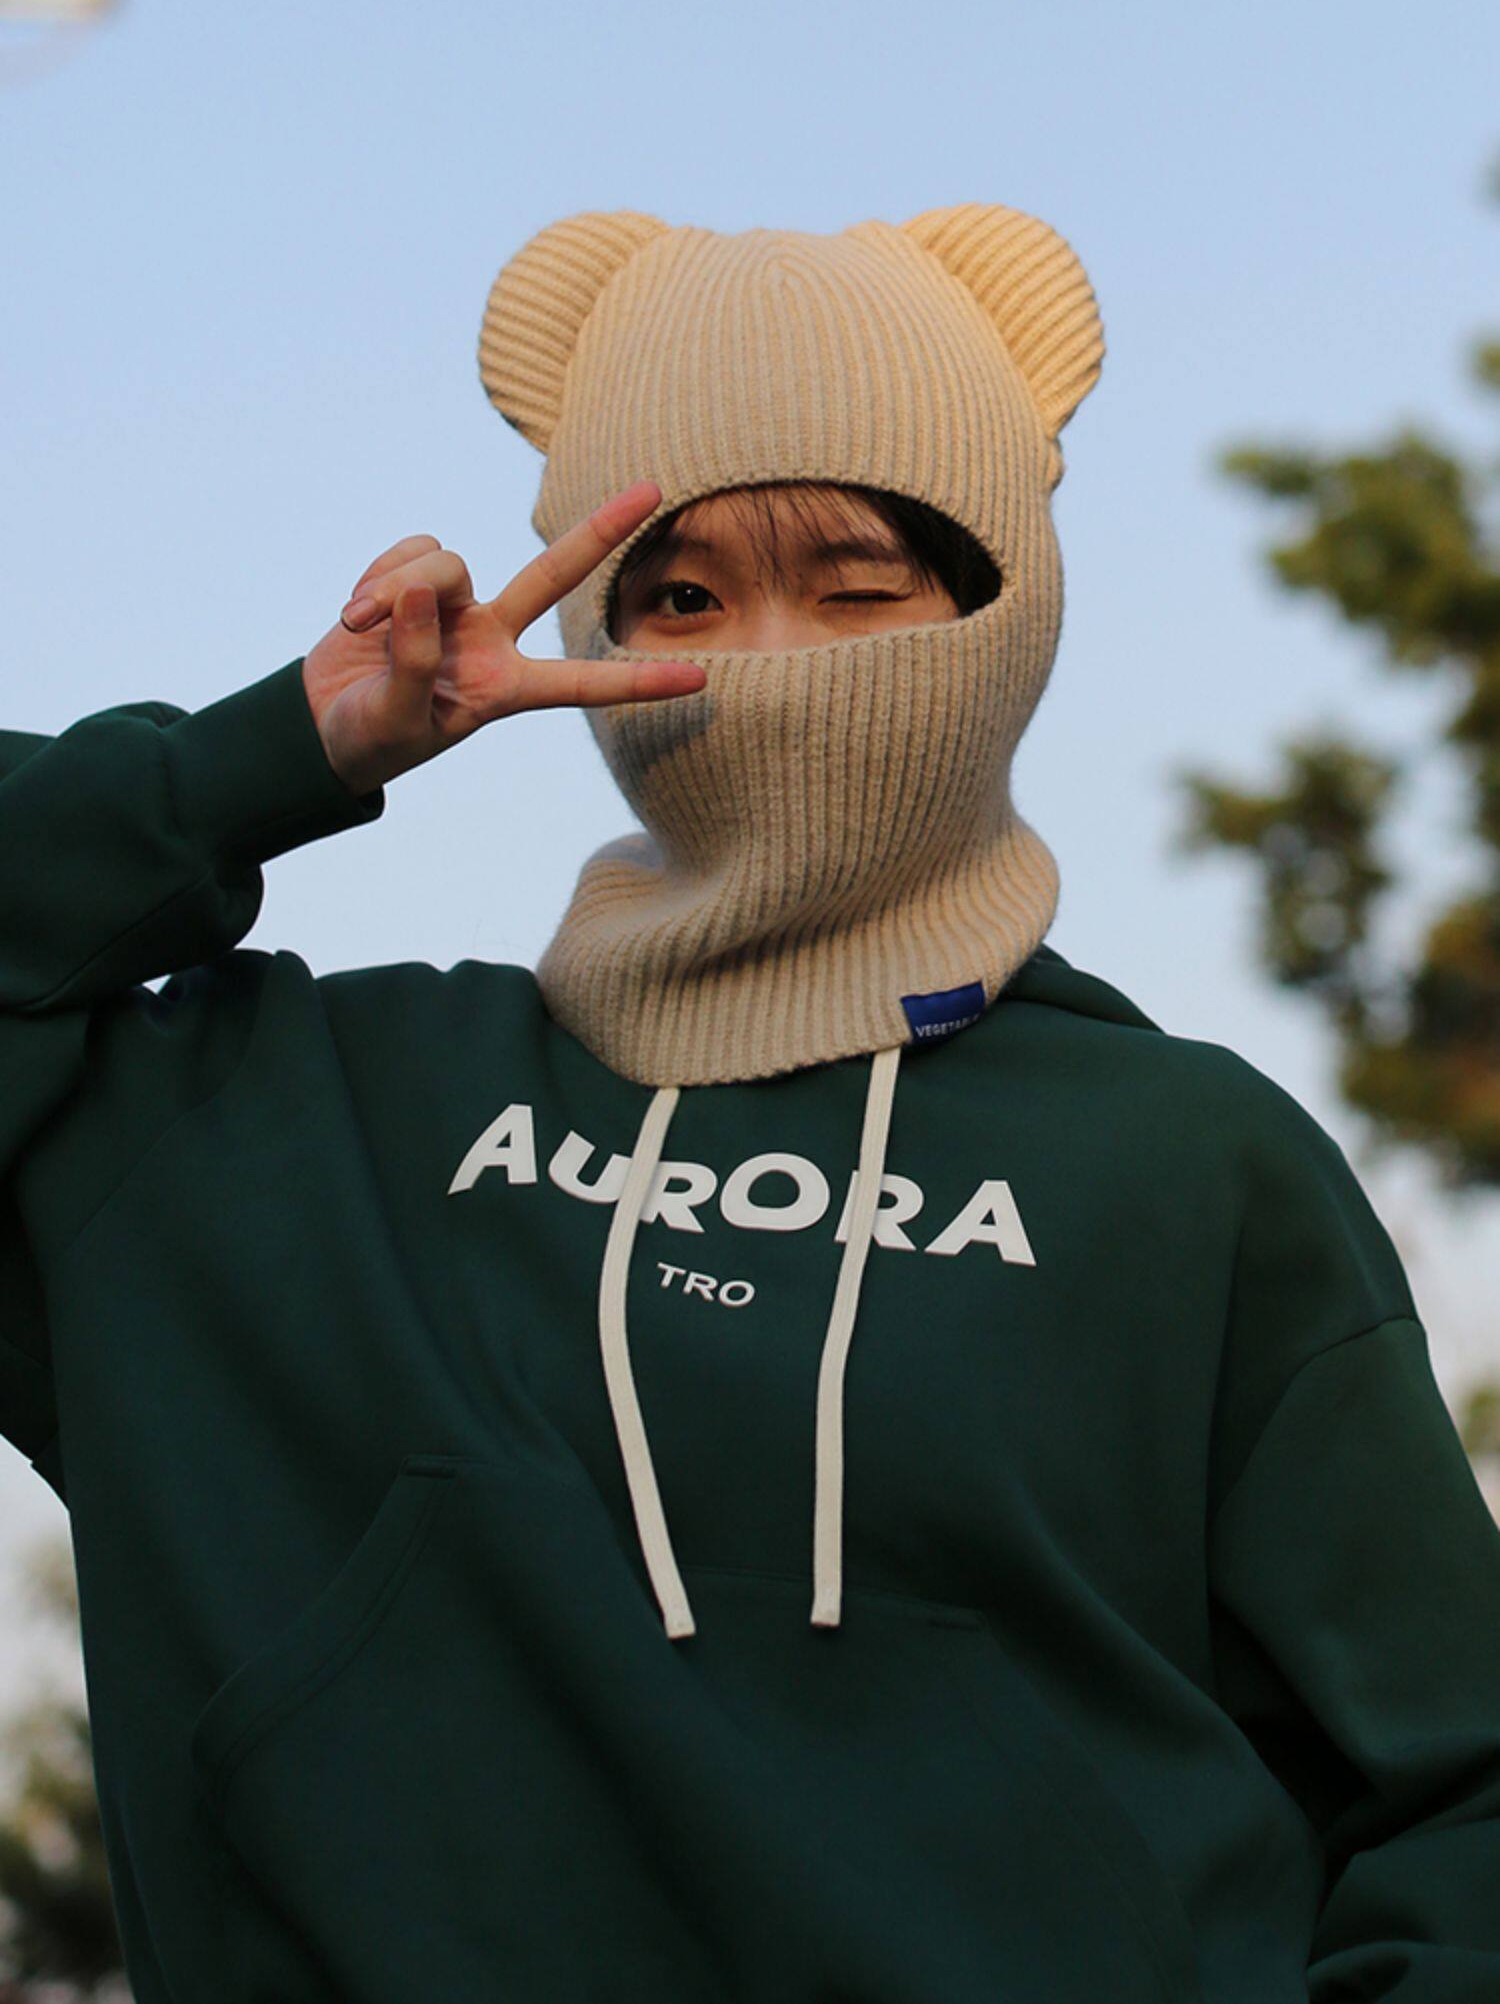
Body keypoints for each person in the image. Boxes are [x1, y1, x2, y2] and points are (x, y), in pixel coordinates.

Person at [3, 200, 1499, 2004]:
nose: (774, 658)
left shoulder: (1190, 1164)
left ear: (1002, 611)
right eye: (682, 599)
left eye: (860, 589)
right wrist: (269, 750)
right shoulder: (282, 1119)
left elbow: (1464, 1794)